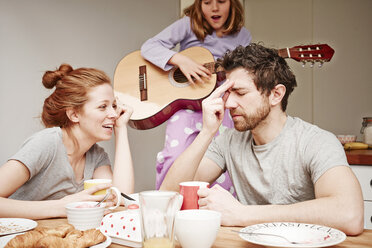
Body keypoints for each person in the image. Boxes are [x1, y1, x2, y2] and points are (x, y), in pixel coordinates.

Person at [160, 43, 364, 235]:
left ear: (276, 94)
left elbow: (349, 214)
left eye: (240, 92)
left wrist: (242, 214)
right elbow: (168, 195)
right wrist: (206, 132)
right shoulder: (228, 141)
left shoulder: (316, 142)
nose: (229, 103)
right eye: (228, 93)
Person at [141, 0, 252, 191]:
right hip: (185, 106)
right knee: (174, 156)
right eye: (207, 2)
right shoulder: (188, 24)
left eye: (221, 1)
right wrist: (181, 60)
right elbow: (149, 47)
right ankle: (167, 203)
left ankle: (215, 210)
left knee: (221, 162)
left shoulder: (243, 35)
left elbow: (245, 72)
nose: (214, 8)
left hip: (220, 105)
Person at [0, 64, 134, 219]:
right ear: (74, 115)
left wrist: (121, 128)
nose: (114, 114)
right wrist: (62, 207)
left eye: (114, 106)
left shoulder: (96, 156)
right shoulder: (46, 144)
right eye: (103, 106)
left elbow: (122, 197)